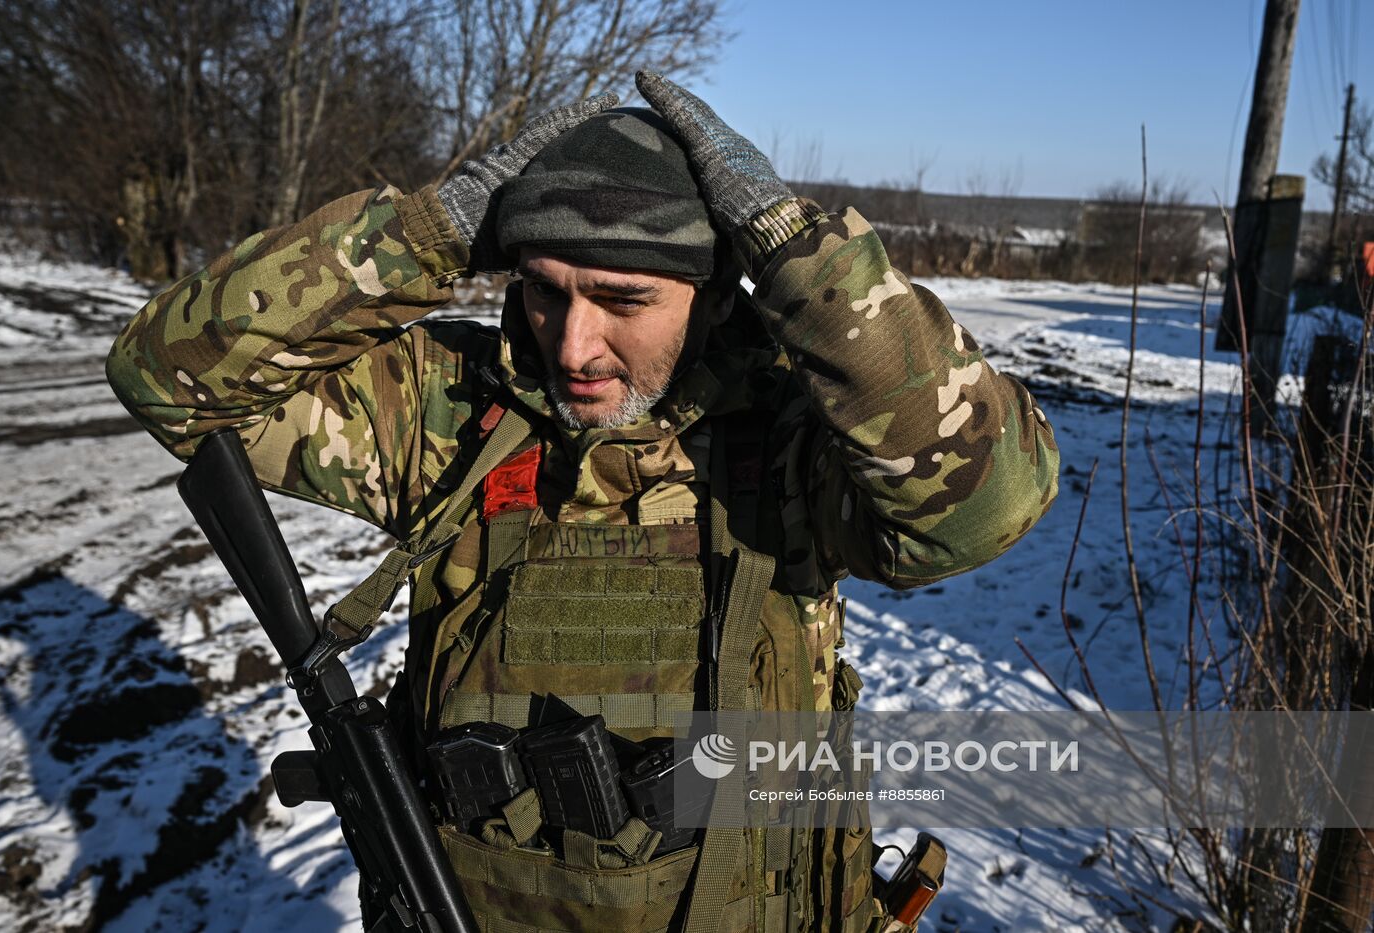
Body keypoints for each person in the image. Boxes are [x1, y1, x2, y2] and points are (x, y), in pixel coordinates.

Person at [106, 72, 1059, 933]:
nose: (572, 345)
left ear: (717, 297)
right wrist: (430, 233)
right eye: (544, 292)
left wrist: (796, 252)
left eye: (624, 299)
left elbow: (985, 501)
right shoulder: (452, 418)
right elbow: (165, 376)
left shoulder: (791, 445)